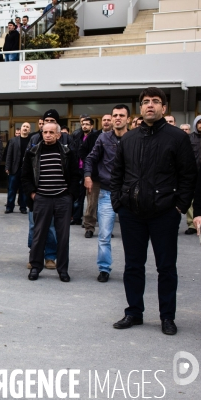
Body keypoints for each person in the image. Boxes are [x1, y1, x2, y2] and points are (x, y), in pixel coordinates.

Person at [110, 87, 197, 335]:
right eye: (146, 102)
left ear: (164, 108)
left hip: (164, 214)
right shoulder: (128, 138)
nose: (150, 105)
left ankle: (167, 317)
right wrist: (119, 203)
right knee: (133, 266)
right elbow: (117, 174)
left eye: (155, 102)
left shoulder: (177, 138)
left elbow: (188, 175)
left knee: (166, 268)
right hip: (131, 214)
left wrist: (179, 206)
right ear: (140, 108)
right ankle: (134, 312)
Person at [23, 122, 79, 282]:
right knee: (39, 234)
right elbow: (25, 176)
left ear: (58, 135)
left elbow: (75, 175)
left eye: (51, 132)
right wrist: (33, 194)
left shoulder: (68, 152)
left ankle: (62, 270)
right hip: (42, 198)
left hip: (63, 199)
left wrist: (70, 196)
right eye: (45, 132)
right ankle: (35, 267)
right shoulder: (32, 153)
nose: (47, 135)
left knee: (63, 236)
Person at [84, 105, 130, 283]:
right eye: (115, 115)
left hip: (129, 194)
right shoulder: (103, 138)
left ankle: (132, 269)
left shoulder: (134, 138)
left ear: (128, 118)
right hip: (107, 193)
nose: (117, 118)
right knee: (104, 235)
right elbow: (90, 158)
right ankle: (104, 269)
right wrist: (88, 176)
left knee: (132, 235)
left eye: (121, 115)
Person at [80, 115, 111, 238]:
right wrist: (90, 163)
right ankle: (89, 227)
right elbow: (82, 151)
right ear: (101, 122)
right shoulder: (93, 136)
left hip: (111, 177)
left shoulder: (117, 137)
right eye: (104, 120)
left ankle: (106, 229)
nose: (106, 122)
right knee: (92, 203)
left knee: (109, 205)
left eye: (109, 120)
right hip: (95, 176)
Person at [69, 115, 94, 226]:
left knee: (91, 198)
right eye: (83, 124)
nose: (84, 126)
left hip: (90, 171)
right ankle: (77, 218)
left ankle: (89, 221)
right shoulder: (77, 136)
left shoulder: (95, 137)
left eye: (87, 124)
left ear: (92, 126)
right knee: (78, 196)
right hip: (78, 169)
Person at [5, 122, 30, 214]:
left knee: (23, 190)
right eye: (24, 126)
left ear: (29, 130)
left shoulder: (31, 141)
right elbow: (9, 154)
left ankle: (23, 207)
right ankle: (9, 207)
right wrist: (7, 167)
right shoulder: (13, 140)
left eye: (27, 127)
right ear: (21, 128)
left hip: (26, 170)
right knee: (12, 189)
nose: (25, 128)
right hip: (14, 169)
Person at [184, 116, 201, 235]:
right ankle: (191, 224)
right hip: (192, 172)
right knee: (191, 198)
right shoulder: (189, 138)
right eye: (199, 123)